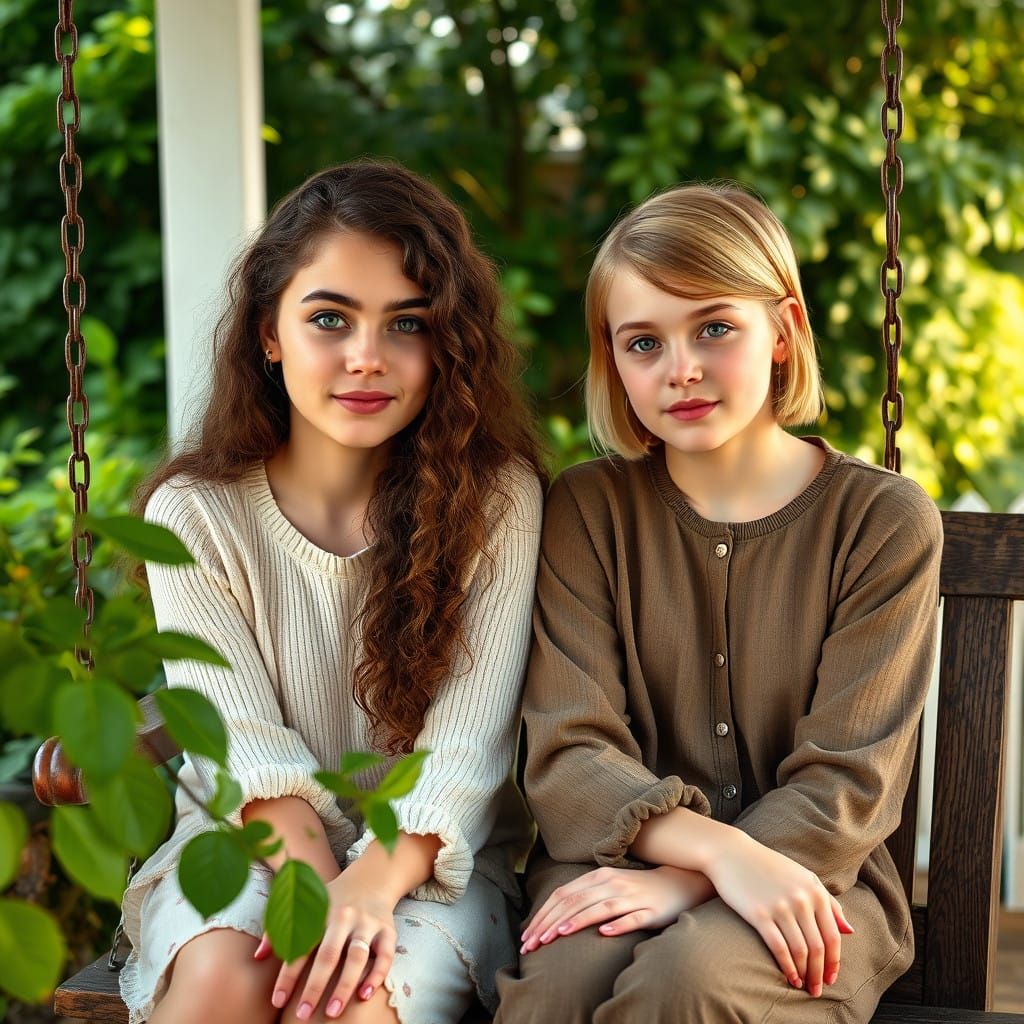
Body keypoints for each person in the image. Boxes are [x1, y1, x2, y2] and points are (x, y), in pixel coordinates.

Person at [495, 182, 941, 1023]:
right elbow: (570, 751)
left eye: (714, 328)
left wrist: (693, 880)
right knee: (557, 987)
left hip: (815, 880)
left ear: (785, 330)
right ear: (612, 361)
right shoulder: (587, 510)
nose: (681, 369)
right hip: (612, 861)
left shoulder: (881, 521)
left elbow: (849, 778)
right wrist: (708, 856)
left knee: (690, 979)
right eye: (643, 343)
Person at [118, 160, 545, 1024]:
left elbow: (465, 753)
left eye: (407, 323)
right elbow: (240, 749)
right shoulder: (195, 513)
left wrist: (366, 893)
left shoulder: (496, 501)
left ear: (446, 343)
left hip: (431, 862)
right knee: (225, 981)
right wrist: (318, 897)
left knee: (345, 1006)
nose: (366, 358)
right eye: (329, 319)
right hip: (250, 842)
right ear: (269, 334)